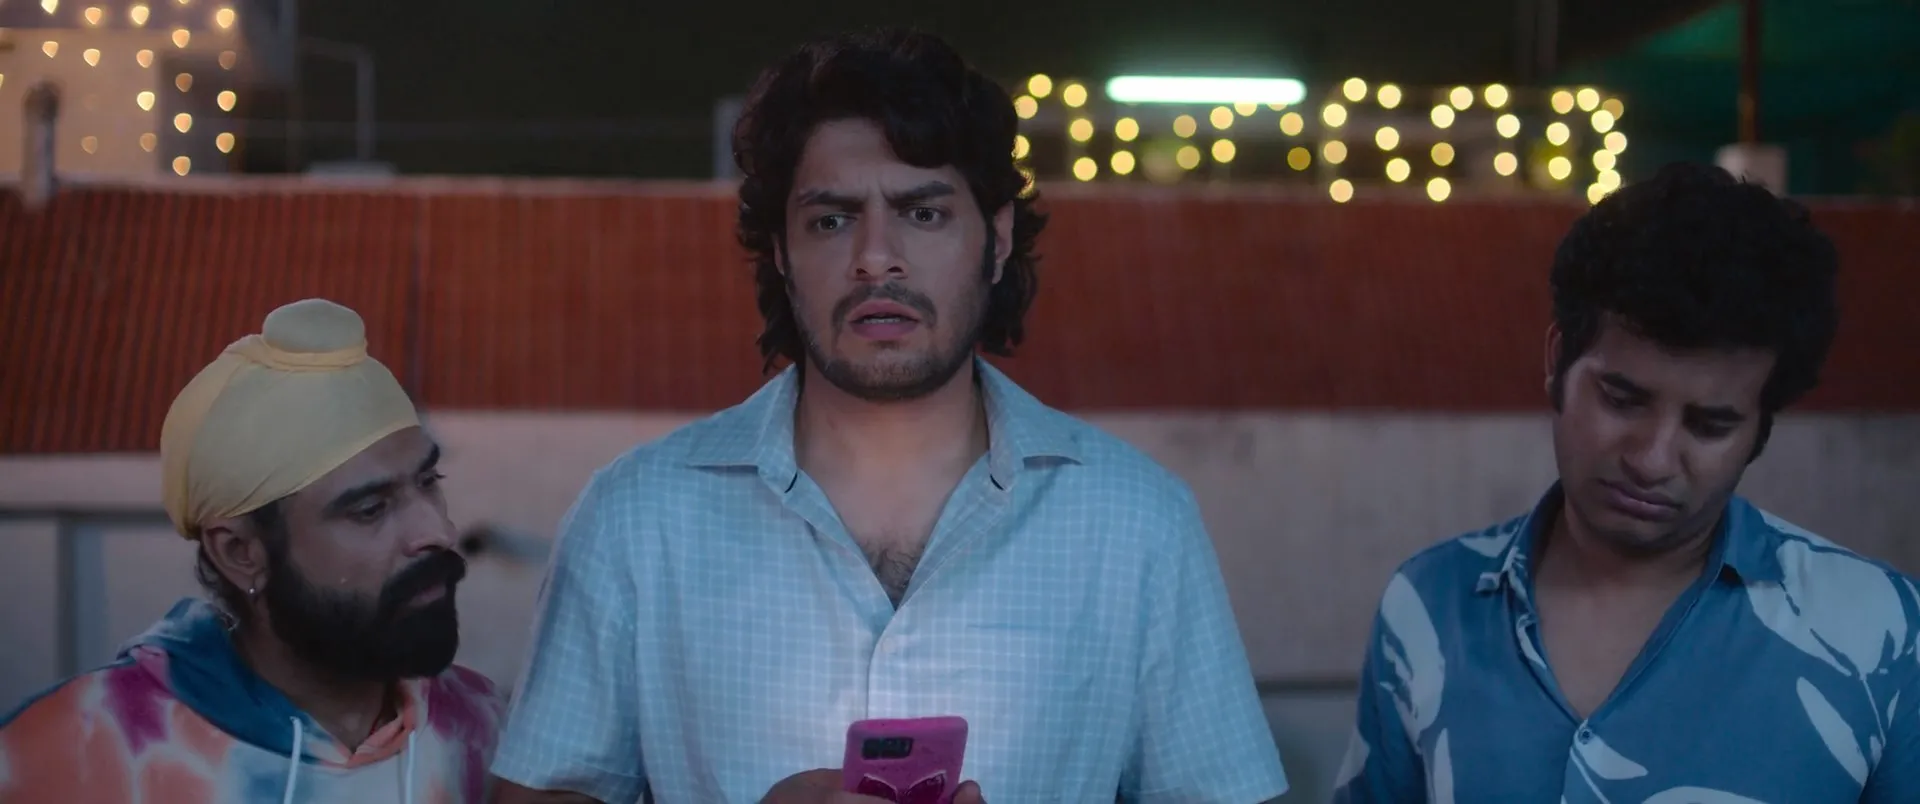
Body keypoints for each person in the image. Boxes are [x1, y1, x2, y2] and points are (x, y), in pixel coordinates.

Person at [488, 27, 1289, 804]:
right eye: (832, 220)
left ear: (997, 239)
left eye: (923, 213)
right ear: (781, 251)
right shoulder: (636, 517)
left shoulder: (1137, 523)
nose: (876, 257)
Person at [1332, 162, 1920, 801]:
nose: (1653, 460)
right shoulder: (1427, 605)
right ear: (1557, 361)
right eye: (1622, 399)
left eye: (1710, 425)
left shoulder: (1881, 634)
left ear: (1761, 429)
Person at [0, 298, 507, 804]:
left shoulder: (488, 734)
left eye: (429, 481)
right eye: (371, 509)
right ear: (240, 552)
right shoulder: (69, 756)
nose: (438, 531)